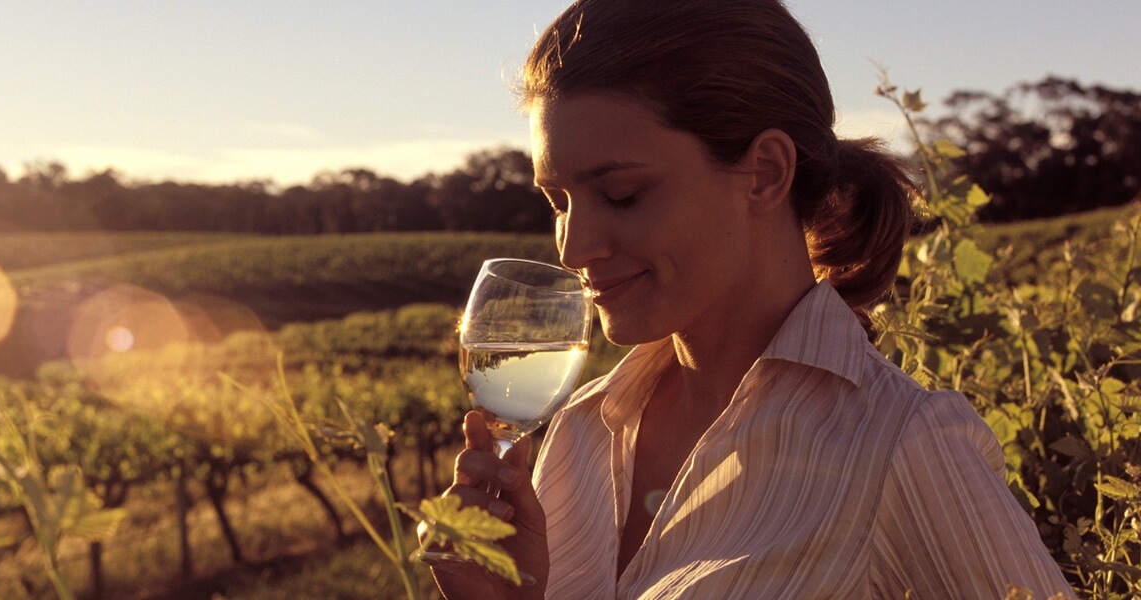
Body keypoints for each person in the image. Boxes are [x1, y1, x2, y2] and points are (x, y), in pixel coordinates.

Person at [427, 0, 1078, 598]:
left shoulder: (903, 444)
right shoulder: (581, 432)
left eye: (620, 194)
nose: (573, 248)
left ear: (765, 173)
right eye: (557, 202)